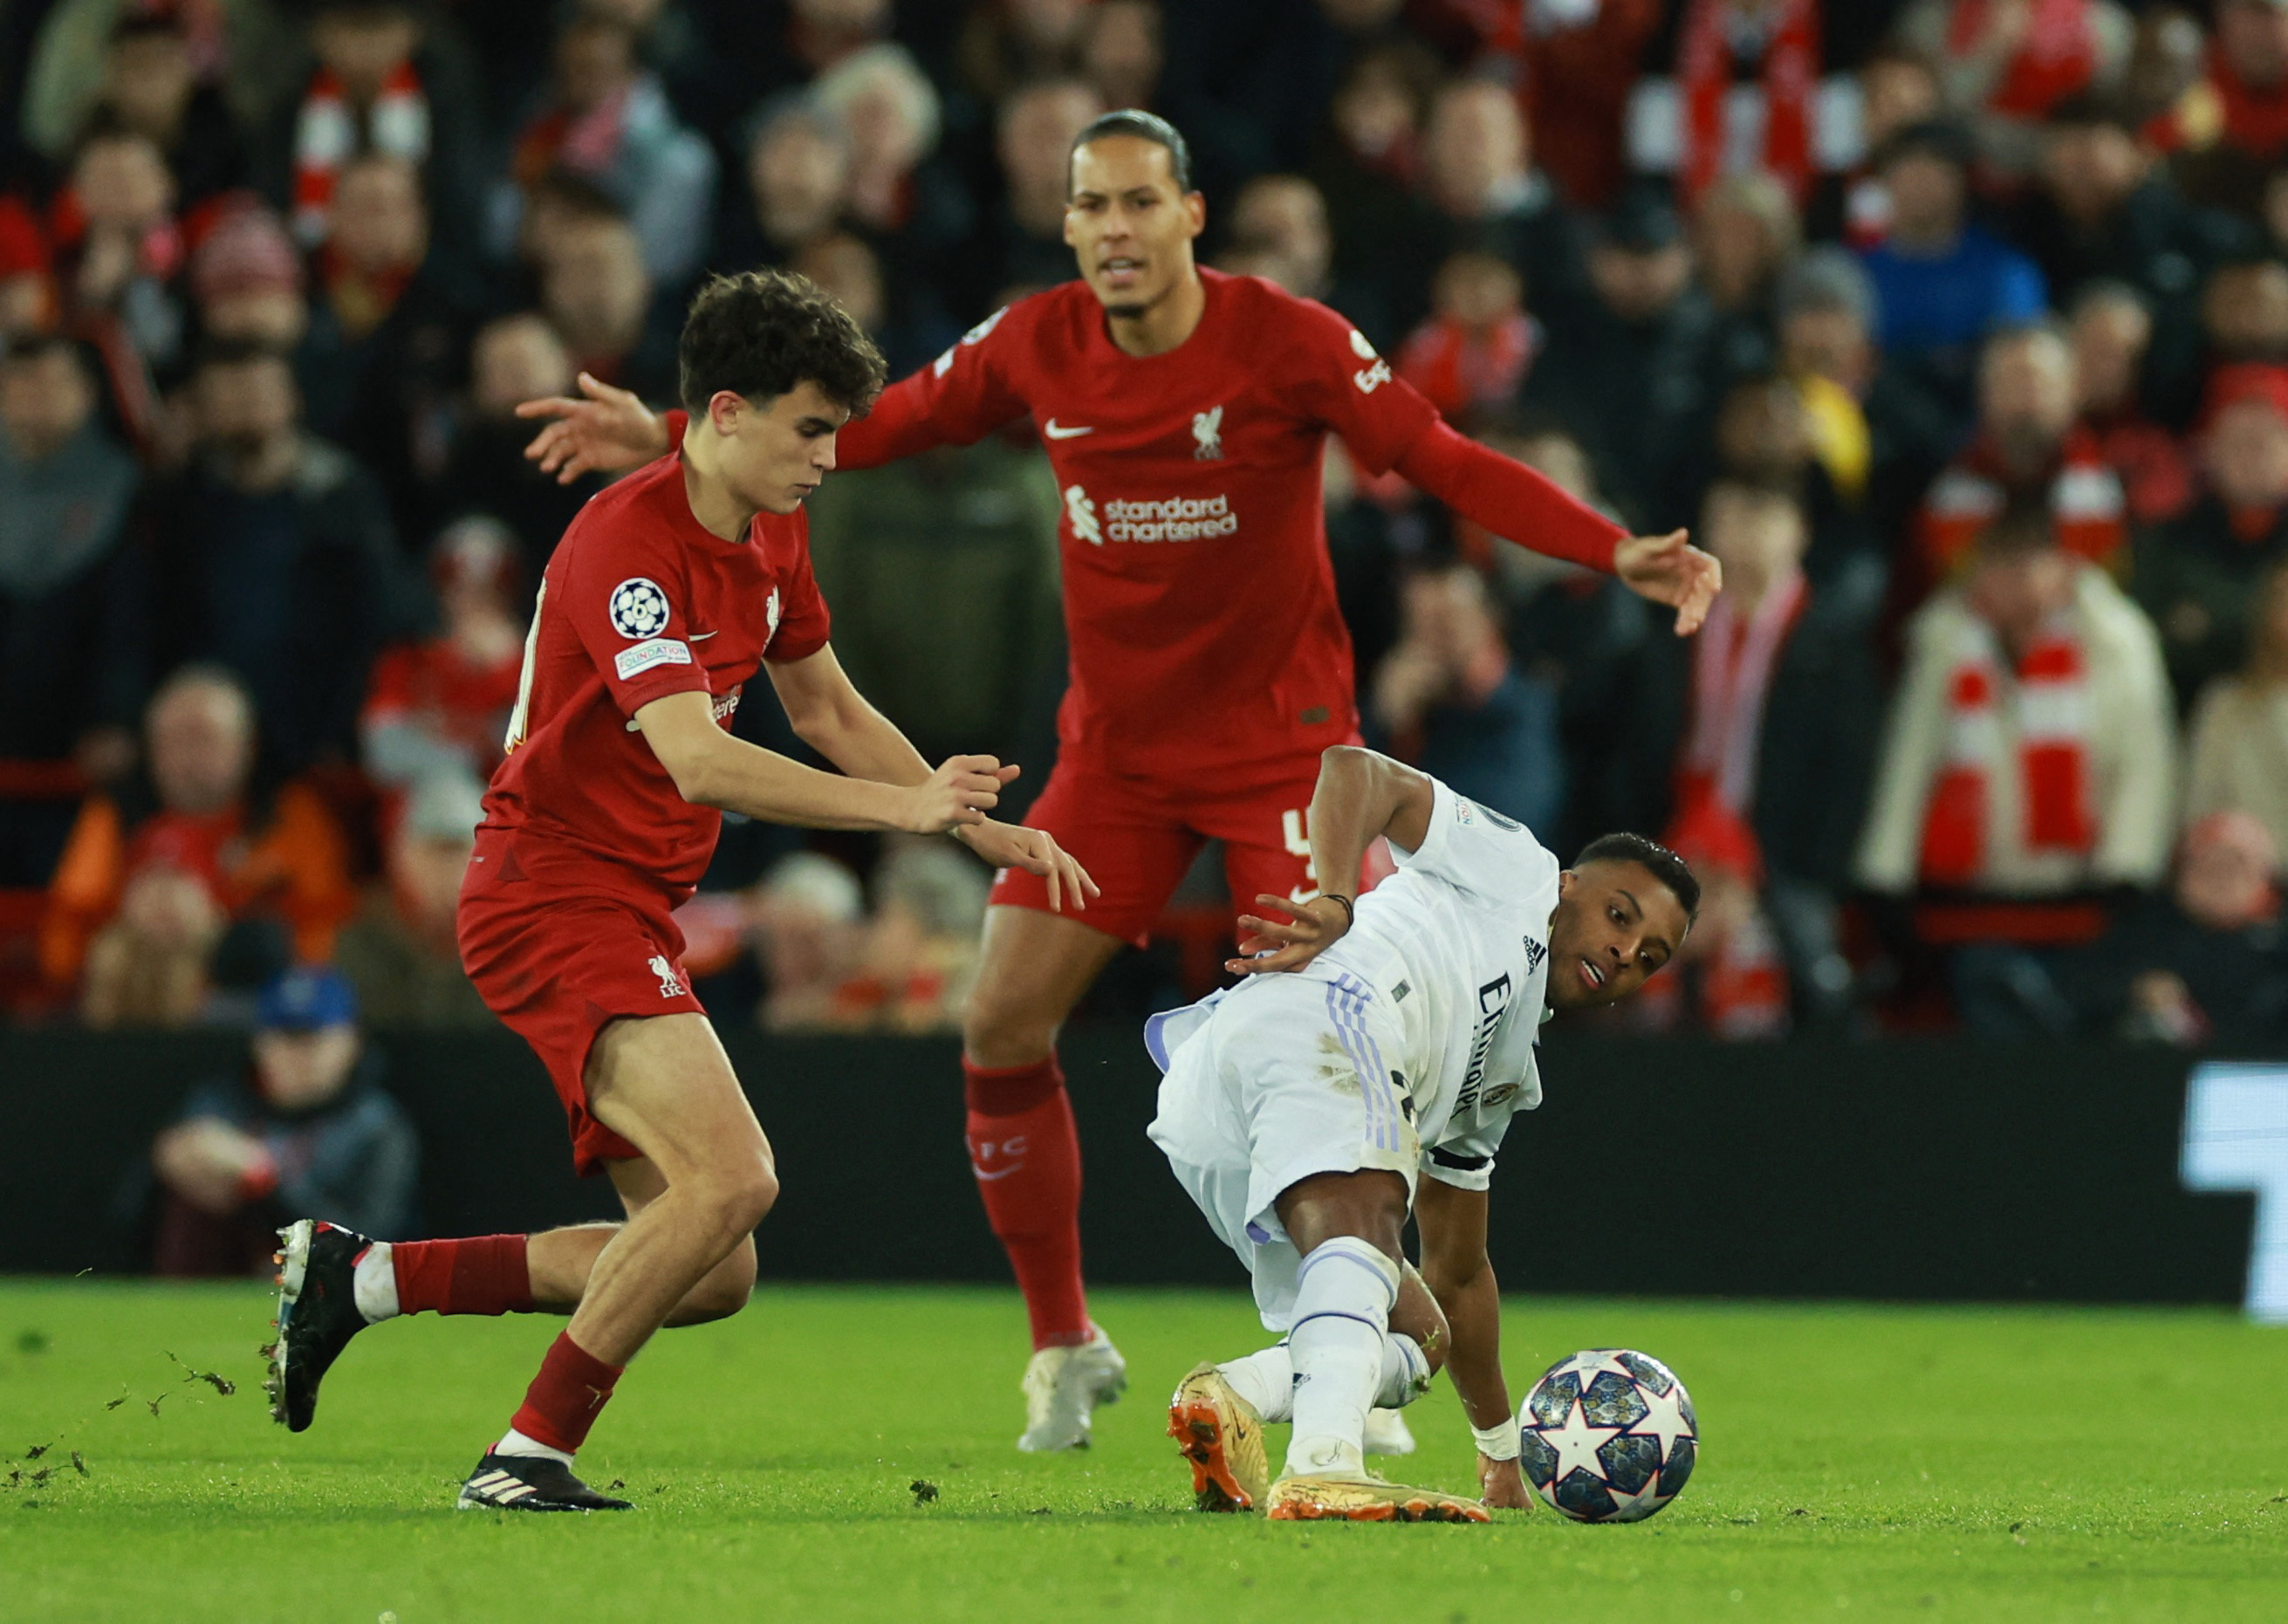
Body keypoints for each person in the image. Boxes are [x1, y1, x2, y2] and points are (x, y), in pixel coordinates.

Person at [517, 109, 1719, 1455]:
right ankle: (1063, 1343)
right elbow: (884, 421)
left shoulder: (1288, 341)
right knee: (999, 1026)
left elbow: (1438, 456)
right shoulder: (1040, 341)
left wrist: (1607, 548)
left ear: (1191, 214)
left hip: (1284, 755)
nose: (1112, 231)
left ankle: (1343, 1338)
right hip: (1118, 759)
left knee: (1336, 1057)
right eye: (1089, 207)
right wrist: (683, 436)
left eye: (1139, 203)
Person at [261, 269, 1093, 1515]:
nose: (828, 455)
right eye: (810, 427)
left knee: (708, 1266)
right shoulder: (626, 547)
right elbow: (698, 755)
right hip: (550, 891)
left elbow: (824, 708)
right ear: (724, 413)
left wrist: (969, 825)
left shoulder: (771, 530)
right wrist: (901, 810)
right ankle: (524, 1455)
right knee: (734, 1177)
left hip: (623, 901)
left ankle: (363, 1279)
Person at [1150, 743, 1695, 1521]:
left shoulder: (1506, 1075)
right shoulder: (1520, 868)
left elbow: (1460, 1271)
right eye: (1619, 915)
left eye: (1651, 956)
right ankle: (1325, 1463)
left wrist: (1502, 1446)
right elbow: (1354, 770)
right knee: (1369, 1217)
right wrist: (1337, 900)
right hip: (1324, 1006)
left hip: (1222, 1098)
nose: (1625, 951)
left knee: (1418, 1334)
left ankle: (1233, 1395)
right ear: (1571, 886)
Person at [151, 967, 418, 1276]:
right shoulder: (221, 1105)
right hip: (216, 1282)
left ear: (351, 1042)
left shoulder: (376, 1126)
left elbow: (373, 1243)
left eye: (313, 1039)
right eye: (284, 1038)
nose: (296, 1055)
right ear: (258, 1043)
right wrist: (171, 1158)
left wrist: (263, 1178)